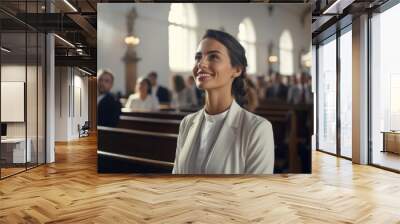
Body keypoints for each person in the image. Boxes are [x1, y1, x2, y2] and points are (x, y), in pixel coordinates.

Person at [172, 29, 274, 174]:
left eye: (213, 57)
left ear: (237, 70)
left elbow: (256, 193)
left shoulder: (257, 129)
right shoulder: (187, 123)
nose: (201, 64)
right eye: (198, 57)